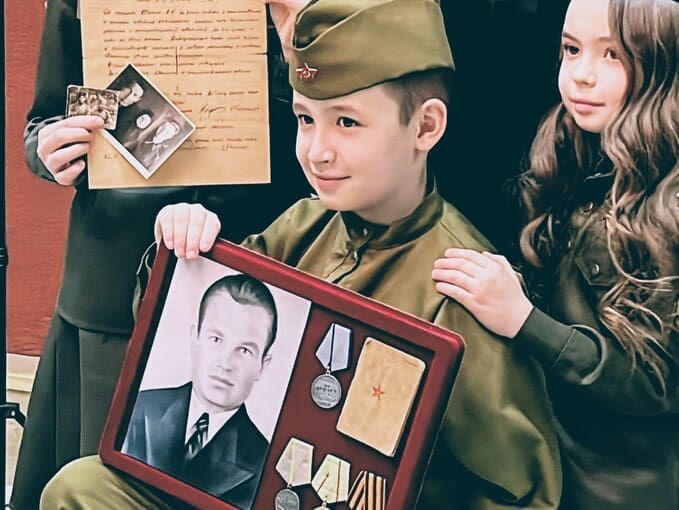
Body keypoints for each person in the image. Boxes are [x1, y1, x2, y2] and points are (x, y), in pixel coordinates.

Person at [39, 1, 561, 508]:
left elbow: (521, 491)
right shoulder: (304, 224)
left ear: (426, 127)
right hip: (255, 487)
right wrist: (182, 255)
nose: (317, 151)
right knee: (81, 486)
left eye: (347, 123)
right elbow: (179, 326)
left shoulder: (462, 282)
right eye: (306, 120)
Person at [9, 0, 309, 508]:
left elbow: (337, 114)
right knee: (94, 484)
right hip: (113, 277)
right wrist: (48, 148)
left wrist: (296, 40)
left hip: (256, 257)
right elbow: (46, 118)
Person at [432, 0, 679, 508]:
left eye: (613, 55)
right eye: (571, 49)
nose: (581, 74)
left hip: (617, 486)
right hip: (553, 453)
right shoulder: (575, 151)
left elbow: (655, 383)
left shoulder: (667, 207)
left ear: (660, 64)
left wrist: (524, 320)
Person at [122, 274, 277, 509]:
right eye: (216, 339)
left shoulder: (262, 461)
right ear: (195, 340)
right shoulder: (142, 407)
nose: (225, 363)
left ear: (262, 365)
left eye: (244, 350)